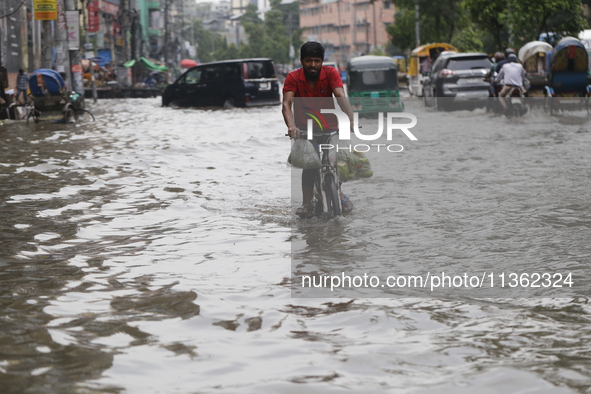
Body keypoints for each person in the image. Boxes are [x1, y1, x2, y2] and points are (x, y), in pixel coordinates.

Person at [282, 41, 355, 218]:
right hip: (305, 130)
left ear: (322, 61)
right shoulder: (293, 78)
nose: (313, 65)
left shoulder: (331, 73)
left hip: (330, 128)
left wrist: (350, 119)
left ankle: (339, 194)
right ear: (301, 60)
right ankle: (306, 203)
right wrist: (291, 126)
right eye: (308, 61)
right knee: (311, 165)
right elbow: (287, 104)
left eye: (316, 60)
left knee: (334, 161)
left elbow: (339, 95)